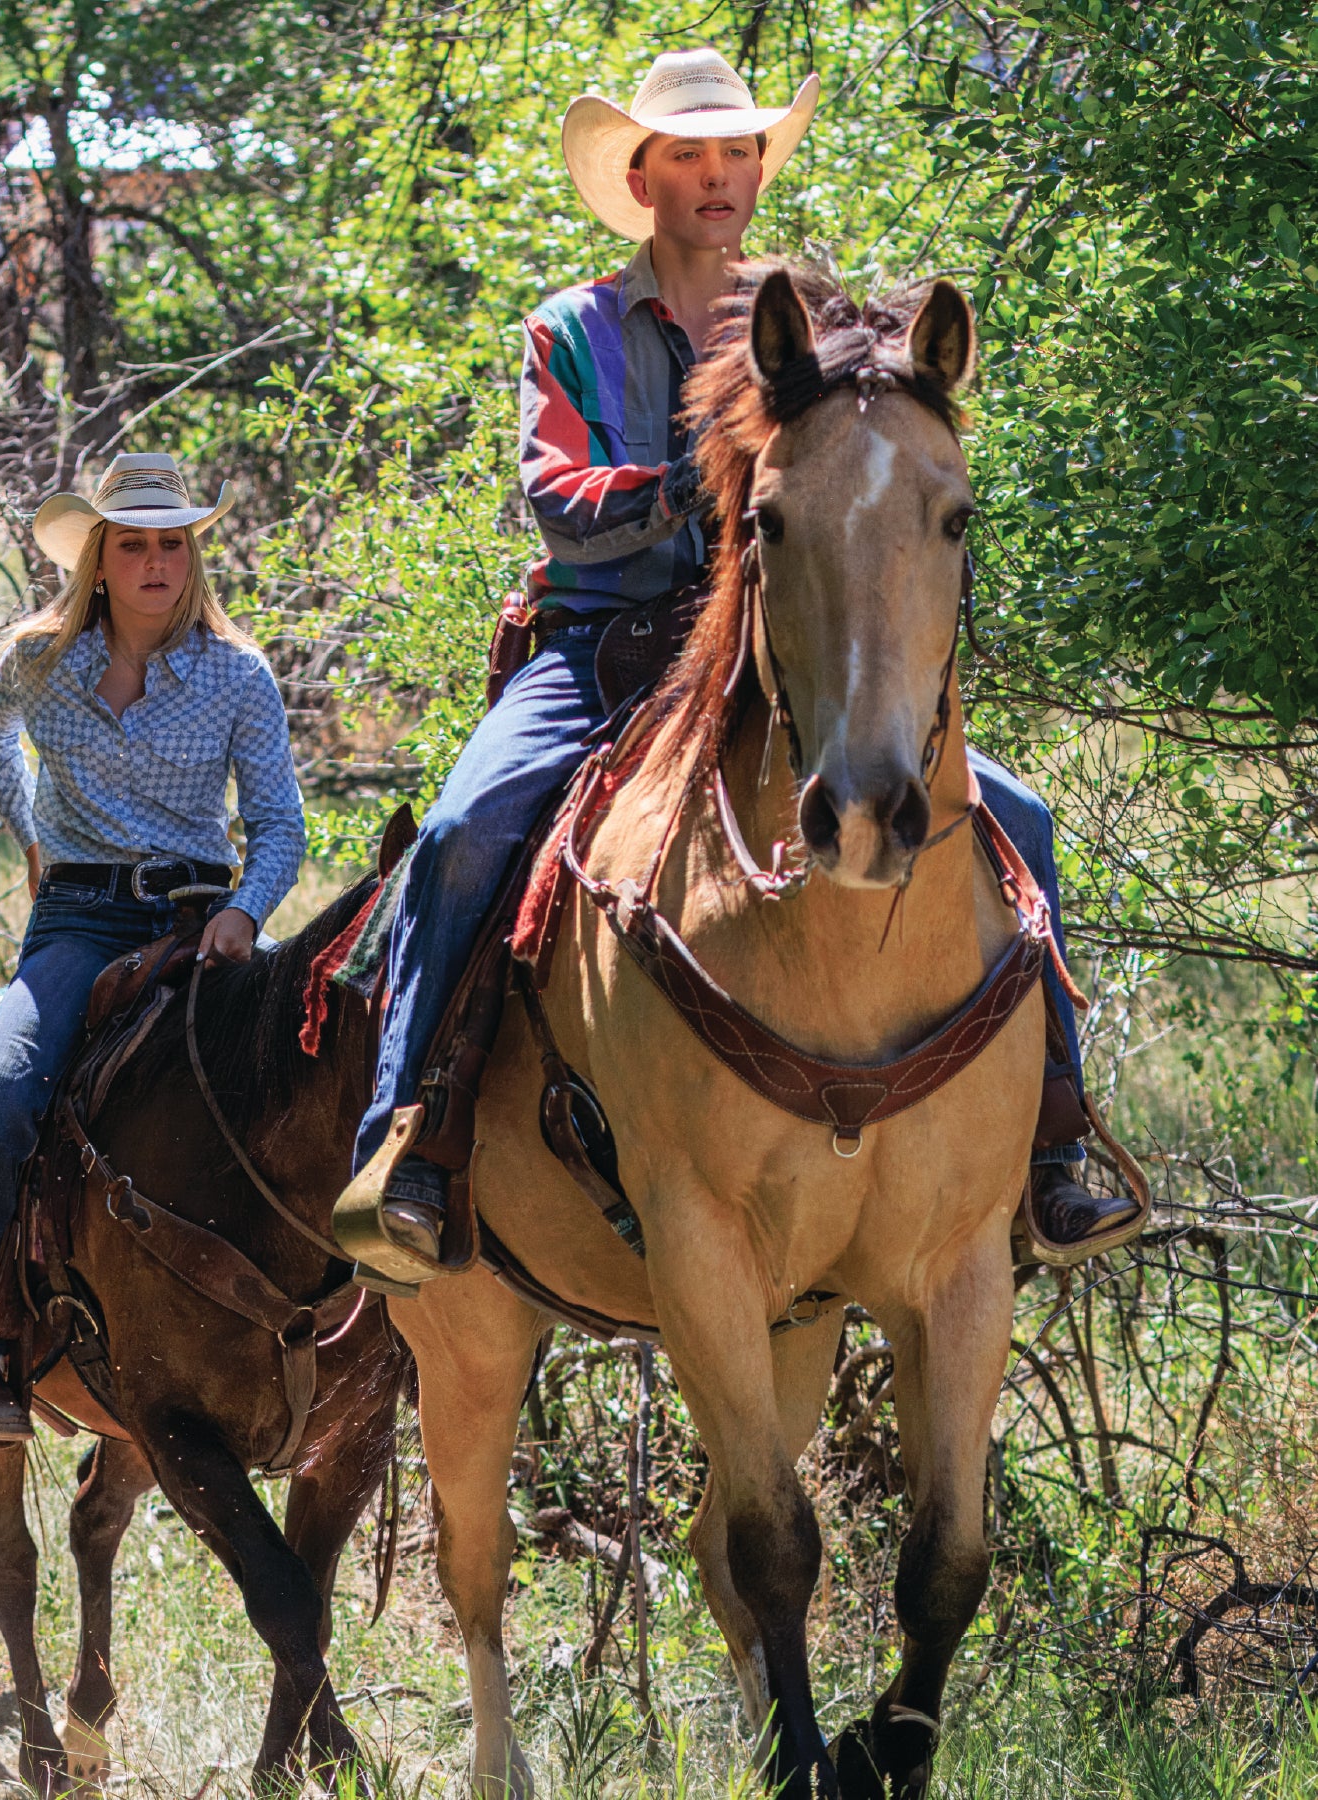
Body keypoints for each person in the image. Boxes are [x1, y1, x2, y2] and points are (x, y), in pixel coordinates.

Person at [345, 47, 1137, 1267]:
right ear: (643, 177)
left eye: (736, 152)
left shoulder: (816, 335)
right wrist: (692, 485)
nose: (717, 174)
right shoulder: (572, 331)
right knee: (463, 834)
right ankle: (414, 1141)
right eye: (687, 155)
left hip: (778, 652)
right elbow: (560, 502)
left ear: (759, 169)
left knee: (1014, 818)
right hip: (602, 648)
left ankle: (1054, 1147)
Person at [0, 452, 306, 1440]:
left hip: (197, 924)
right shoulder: (44, 658)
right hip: (81, 921)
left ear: (191, 555)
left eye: (172, 542)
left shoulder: (237, 675)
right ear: (99, 556)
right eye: (133, 542)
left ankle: (333, 1335)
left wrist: (246, 913)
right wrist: (32, 837)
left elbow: (280, 827)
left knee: (303, 1095)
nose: (155, 561)